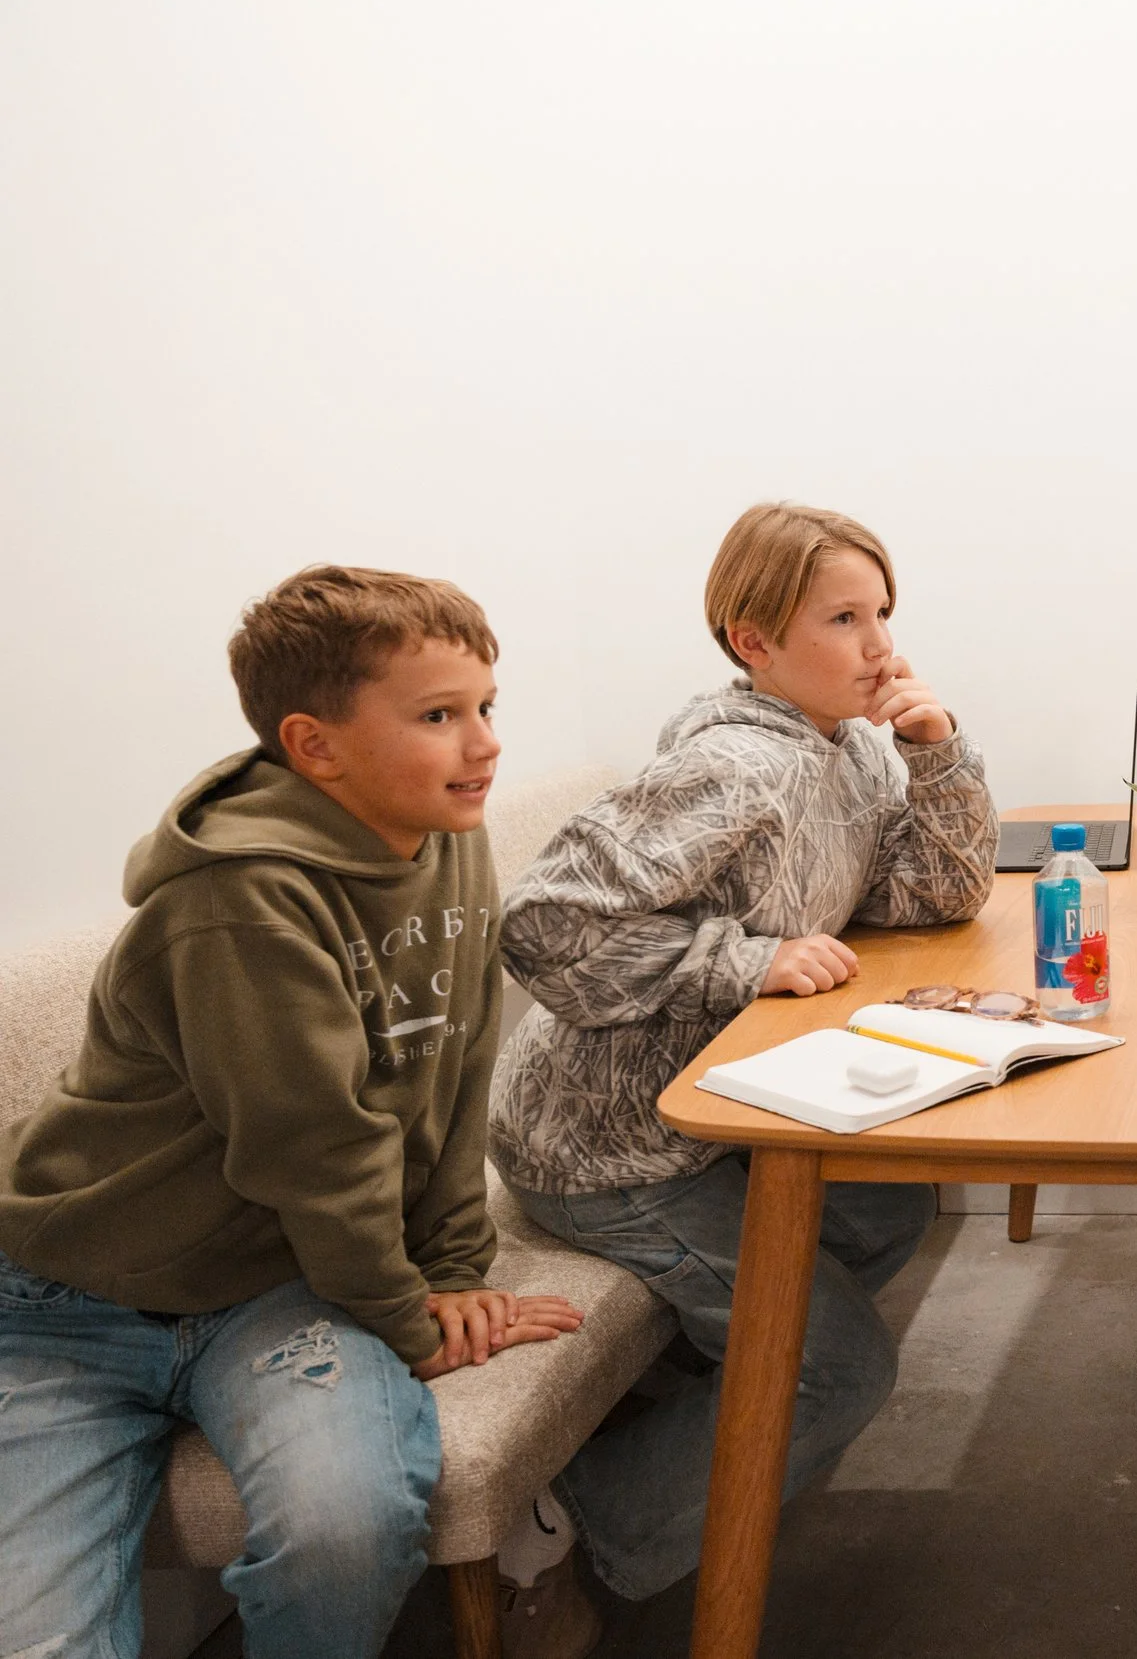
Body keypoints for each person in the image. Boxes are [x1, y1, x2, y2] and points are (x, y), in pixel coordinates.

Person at [0, 566, 581, 1659]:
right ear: (315, 746)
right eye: (439, 716)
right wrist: (410, 1319)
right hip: (64, 1299)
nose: (484, 742)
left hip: (278, 1290)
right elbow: (319, 1150)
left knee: (347, 1528)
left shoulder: (449, 832)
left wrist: (455, 1271)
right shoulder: (236, 899)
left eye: (486, 706)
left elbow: (452, 1066)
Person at [488, 502, 998, 1613]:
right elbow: (540, 921)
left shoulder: (844, 748)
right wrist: (742, 959)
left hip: (716, 1107)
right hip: (613, 1148)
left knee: (886, 1208)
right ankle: (578, 1520)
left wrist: (934, 750)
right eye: (844, 617)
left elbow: (935, 893)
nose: (881, 646)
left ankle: (708, 1403)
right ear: (753, 639)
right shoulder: (734, 769)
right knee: (840, 1368)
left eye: (884, 613)